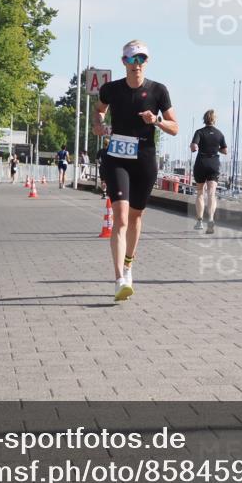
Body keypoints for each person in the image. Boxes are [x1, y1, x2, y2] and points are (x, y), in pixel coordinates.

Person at [92, 40, 178, 301]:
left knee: (136, 218)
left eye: (141, 59)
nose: (137, 64)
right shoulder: (111, 89)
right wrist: (98, 123)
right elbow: (99, 111)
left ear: (147, 62)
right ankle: (119, 279)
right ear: (124, 63)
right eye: (132, 59)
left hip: (144, 157)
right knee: (120, 217)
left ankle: (128, 265)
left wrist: (157, 121)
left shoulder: (158, 91)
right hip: (117, 157)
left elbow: (175, 127)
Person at [190, 109, 228, 234]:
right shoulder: (219, 134)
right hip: (213, 164)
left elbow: (194, 146)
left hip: (201, 162)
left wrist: (194, 147)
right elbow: (225, 150)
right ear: (214, 119)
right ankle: (210, 218)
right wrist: (217, 148)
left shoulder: (199, 132)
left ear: (204, 119)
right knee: (211, 193)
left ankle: (200, 221)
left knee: (200, 192)